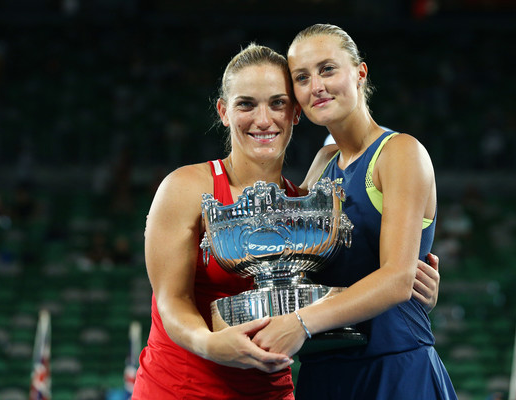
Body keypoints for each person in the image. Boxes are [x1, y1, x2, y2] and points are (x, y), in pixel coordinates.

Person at [133, 43, 440, 399]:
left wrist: (412, 290)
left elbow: (342, 274)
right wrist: (209, 343)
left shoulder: (304, 200)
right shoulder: (185, 187)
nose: (263, 120)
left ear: (295, 113)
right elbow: (171, 300)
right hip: (181, 386)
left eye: (277, 103)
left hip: (272, 388)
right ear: (224, 111)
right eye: (246, 104)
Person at [252, 24, 457, 399]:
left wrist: (300, 323)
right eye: (302, 77)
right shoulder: (323, 162)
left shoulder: (400, 153)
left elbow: (397, 280)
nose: (316, 85)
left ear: (360, 73)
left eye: (327, 69)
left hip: (395, 371)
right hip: (324, 371)